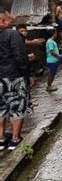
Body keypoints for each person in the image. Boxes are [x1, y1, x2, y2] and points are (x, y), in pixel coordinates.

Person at [0, 12, 32, 150]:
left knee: (0, 110)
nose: (12, 21)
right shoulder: (12, 35)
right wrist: (28, 74)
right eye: (9, 19)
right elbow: (20, 56)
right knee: (17, 107)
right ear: (2, 20)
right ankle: (14, 139)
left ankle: (1, 140)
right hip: (13, 77)